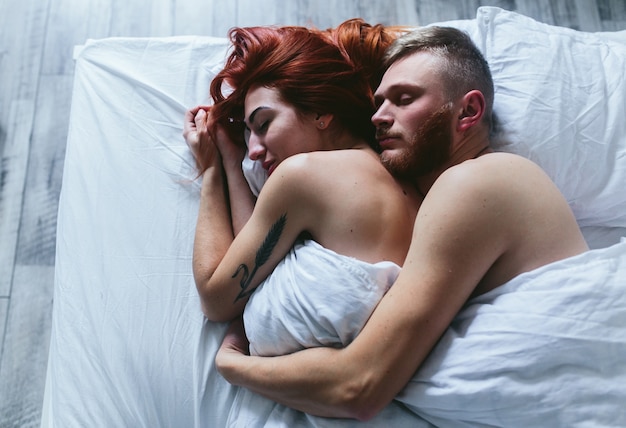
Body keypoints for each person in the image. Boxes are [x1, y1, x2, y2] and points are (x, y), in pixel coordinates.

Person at [214, 25, 590, 421]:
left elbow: (358, 386)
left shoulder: (479, 182)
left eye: (404, 98)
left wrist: (233, 366)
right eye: (378, 103)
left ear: (469, 111)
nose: (379, 116)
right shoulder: (441, 199)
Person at [184, 19, 421, 355]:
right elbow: (257, 255)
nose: (253, 149)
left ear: (321, 110)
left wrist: (211, 170)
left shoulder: (301, 175)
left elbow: (217, 298)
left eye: (264, 124)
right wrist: (231, 158)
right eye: (248, 134)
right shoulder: (403, 176)